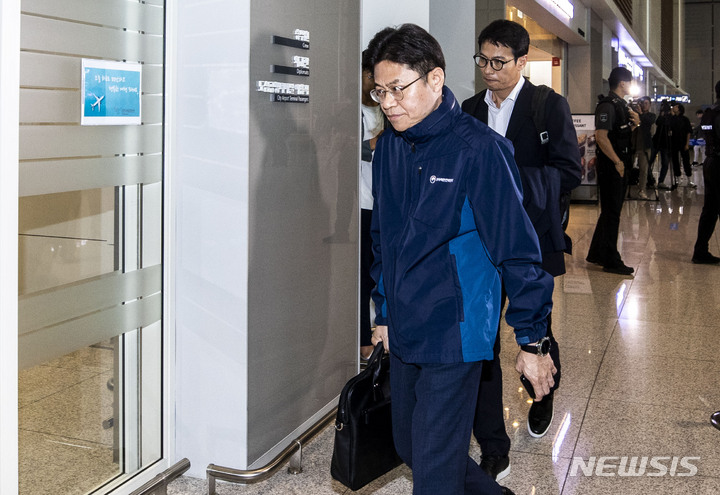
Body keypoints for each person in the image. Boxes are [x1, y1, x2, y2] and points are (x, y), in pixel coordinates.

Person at [367, 23, 555, 495]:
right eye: (379, 91)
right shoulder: (389, 145)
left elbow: (518, 250)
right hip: (407, 325)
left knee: (433, 470)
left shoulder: (481, 150)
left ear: (435, 79)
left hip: (456, 329)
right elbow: (384, 237)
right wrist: (384, 311)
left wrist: (532, 342)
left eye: (397, 89)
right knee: (412, 447)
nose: (387, 102)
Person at [461, 19, 581, 481]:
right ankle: (493, 442)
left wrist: (508, 183)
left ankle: (542, 390)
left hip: (530, 240)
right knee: (485, 337)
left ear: (521, 61)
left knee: (536, 327)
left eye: (499, 62)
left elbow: (568, 170)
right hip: (480, 247)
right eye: (483, 61)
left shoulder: (546, 107)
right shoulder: (470, 109)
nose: (489, 70)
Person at [586, 67, 640, 275]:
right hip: (611, 165)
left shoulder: (620, 106)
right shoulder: (607, 105)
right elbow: (601, 136)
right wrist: (617, 162)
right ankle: (610, 259)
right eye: (630, 82)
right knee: (612, 213)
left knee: (610, 211)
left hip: (618, 162)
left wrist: (633, 126)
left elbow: (618, 134)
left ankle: (597, 253)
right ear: (623, 83)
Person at [359, 49, 384, 360]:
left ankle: (381, 331)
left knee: (382, 273)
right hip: (362, 206)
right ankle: (364, 339)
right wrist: (378, 141)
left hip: (384, 206)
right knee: (364, 276)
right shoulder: (352, 110)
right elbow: (348, 150)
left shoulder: (384, 109)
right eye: (370, 77)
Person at [691, 80, 720, 264]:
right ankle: (700, 251)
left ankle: (700, 251)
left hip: (711, 162)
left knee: (710, 210)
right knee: (711, 210)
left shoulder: (710, 112)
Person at [632, 96, 656, 199]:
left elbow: (647, 122)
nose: (644, 105)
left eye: (646, 103)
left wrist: (640, 114)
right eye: (642, 103)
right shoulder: (634, 114)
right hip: (632, 144)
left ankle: (642, 190)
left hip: (645, 146)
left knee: (644, 169)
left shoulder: (651, 115)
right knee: (627, 166)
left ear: (650, 105)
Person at [669, 103, 696, 187]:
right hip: (674, 143)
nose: (674, 107)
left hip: (683, 142)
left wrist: (687, 144)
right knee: (675, 161)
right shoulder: (672, 119)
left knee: (686, 161)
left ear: (680, 108)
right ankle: (677, 178)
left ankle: (689, 179)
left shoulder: (685, 119)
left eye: (676, 106)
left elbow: (688, 132)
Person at [653, 101, 673, 189]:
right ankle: (650, 180)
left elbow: (670, 125)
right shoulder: (660, 117)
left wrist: (669, 115)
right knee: (649, 161)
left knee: (665, 163)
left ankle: (661, 181)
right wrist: (661, 114)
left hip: (665, 142)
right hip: (657, 141)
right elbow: (658, 122)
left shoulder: (670, 118)